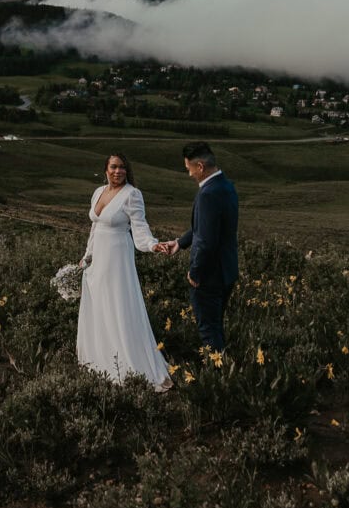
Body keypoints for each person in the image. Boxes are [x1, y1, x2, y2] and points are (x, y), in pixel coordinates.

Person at [77, 152, 172, 392]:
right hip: (97, 259)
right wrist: (87, 256)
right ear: (106, 169)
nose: (118, 172)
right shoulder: (98, 192)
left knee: (118, 306)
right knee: (99, 306)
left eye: (122, 168)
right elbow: (94, 227)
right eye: (113, 167)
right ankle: (101, 357)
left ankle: (129, 363)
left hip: (117, 258)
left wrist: (153, 245)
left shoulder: (132, 194)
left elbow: (140, 230)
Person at [163, 142, 239, 353]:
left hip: (209, 276)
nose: (189, 174)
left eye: (189, 169)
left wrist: (195, 273)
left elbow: (206, 241)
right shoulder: (227, 186)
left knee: (208, 330)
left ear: (200, 167)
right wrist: (180, 243)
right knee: (216, 326)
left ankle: (217, 378)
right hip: (227, 271)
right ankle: (224, 369)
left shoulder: (207, 194)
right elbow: (207, 228)